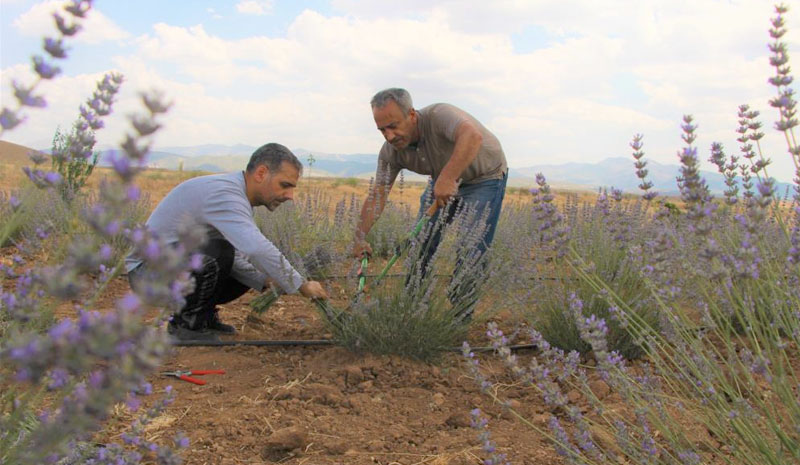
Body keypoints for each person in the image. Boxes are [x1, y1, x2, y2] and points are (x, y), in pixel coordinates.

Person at [126, 143, 328, 342]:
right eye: (285, 185)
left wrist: (266, 280)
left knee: (238, 261)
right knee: (219, 252)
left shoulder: (235, 194)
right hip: (146, 275)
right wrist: (300, 284)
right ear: (261, 173)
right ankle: (186, 326)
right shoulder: (226, 195)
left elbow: (240, 256)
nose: (290, 196)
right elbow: (256, 248)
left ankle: (202, 317)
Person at [351, 88, 507, 320]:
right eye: (382, 130)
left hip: (484, 178)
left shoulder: (440, 115)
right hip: (442, 180)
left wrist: (447, 177)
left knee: (470, 247)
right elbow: (378, 194)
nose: (389, 135)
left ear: (412, 116)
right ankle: (412, 306)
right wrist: (359, 237)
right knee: (420, 242)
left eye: (393, 126)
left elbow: (472, 136)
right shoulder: (390, 152)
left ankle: (459, 316)